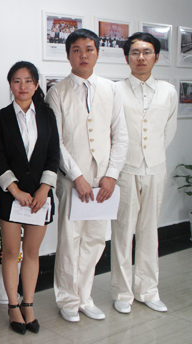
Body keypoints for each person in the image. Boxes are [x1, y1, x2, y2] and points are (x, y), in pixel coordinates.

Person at [46, 28, 128, 323]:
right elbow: (55, 141)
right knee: (70, 240)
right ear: (68, 55)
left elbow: (121, 135)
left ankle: (85, 297)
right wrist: (77, 176)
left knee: (95, 239)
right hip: (72, 180)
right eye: (77, 50)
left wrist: (112, 175)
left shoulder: (111, 89)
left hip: (103, 180)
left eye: (89, 49)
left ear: (97, 53)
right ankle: (68, 299)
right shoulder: (57, 91)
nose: (83, 55)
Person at [0, 61, 60, 335]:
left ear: (36, 84)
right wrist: (15, 190)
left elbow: (53, 154)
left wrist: (44, 188)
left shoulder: (47, 115)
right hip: (12, 196)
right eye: (17, 81)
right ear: (10, 84)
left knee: (31, 252)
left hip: (40, 197)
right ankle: (13, 306)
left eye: (28, 81)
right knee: (11, 252)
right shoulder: (0, 118)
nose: (23, 86)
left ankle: (28, 304)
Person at [111, 32, 177, 315]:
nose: (141, 57)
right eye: (135, 52)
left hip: (156, 168)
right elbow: (111, 131)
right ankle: (122, 292)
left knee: (150, 232)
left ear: (156, 57)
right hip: (125, 169)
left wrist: (152, 155)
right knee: (123, 232)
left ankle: (148, 290)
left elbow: (168, 131)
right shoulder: (116, 90)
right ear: (127, 57)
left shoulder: (168, 91)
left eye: (147, 52)